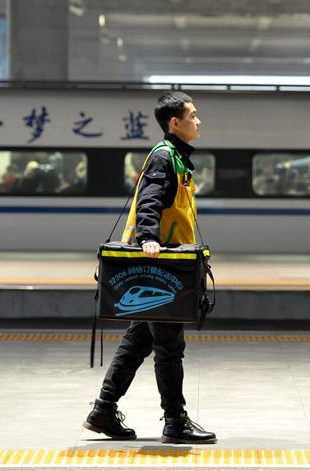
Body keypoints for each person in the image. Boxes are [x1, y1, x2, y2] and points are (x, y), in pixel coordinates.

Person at [83, 91, 216, 444]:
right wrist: (147, 238)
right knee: (169, 346)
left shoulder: (177, 158)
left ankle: (103, 410)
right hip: (161, 264)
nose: (198, 121)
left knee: (139, 339)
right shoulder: (164, 156)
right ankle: (175, 421)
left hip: (167, 261)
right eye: (192, 115)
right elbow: (150, 199)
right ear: (175, 123)